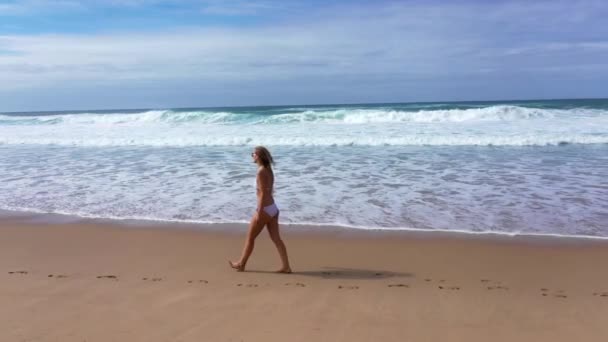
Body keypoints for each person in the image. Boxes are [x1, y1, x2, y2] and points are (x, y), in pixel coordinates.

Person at [229, 146, 292, 273]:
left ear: (259, 156)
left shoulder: (261, 172)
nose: (252, 155)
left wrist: (260, 210)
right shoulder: (268, 170)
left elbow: (263, 193)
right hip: (273, 208)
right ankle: (286, 266)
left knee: (250, 238)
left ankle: (241, 264)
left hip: (265, 209)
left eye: (253, 154)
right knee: (276, 239)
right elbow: (269, 191)